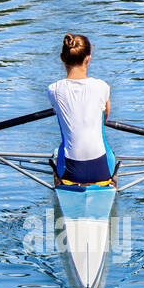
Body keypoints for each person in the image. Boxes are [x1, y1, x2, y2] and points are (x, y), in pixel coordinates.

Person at [46, 33, 116, 186]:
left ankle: (61, 182)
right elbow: (105, 119)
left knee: (59, 151)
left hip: (71, 173)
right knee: (105, 144)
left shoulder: (53, 90)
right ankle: (109, 182)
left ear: (62, 58)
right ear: (88, 59)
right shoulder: (102, 86)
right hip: (101, 171)